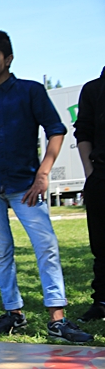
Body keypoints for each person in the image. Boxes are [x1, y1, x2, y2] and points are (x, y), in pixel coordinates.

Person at [0, 30, 92, 343]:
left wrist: (43, 173)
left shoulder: (31, 91)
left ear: (8, 58)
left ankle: (57, 318)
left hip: (26, 185)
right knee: (1, 251)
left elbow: (56, 130)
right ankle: (14, 313)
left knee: (46, 245)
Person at [75, 67, 105, 323]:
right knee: (101, 244)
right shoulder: (94, 89)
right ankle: (102, 302)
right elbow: (83, 131)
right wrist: (90, 173)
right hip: (101, 176)